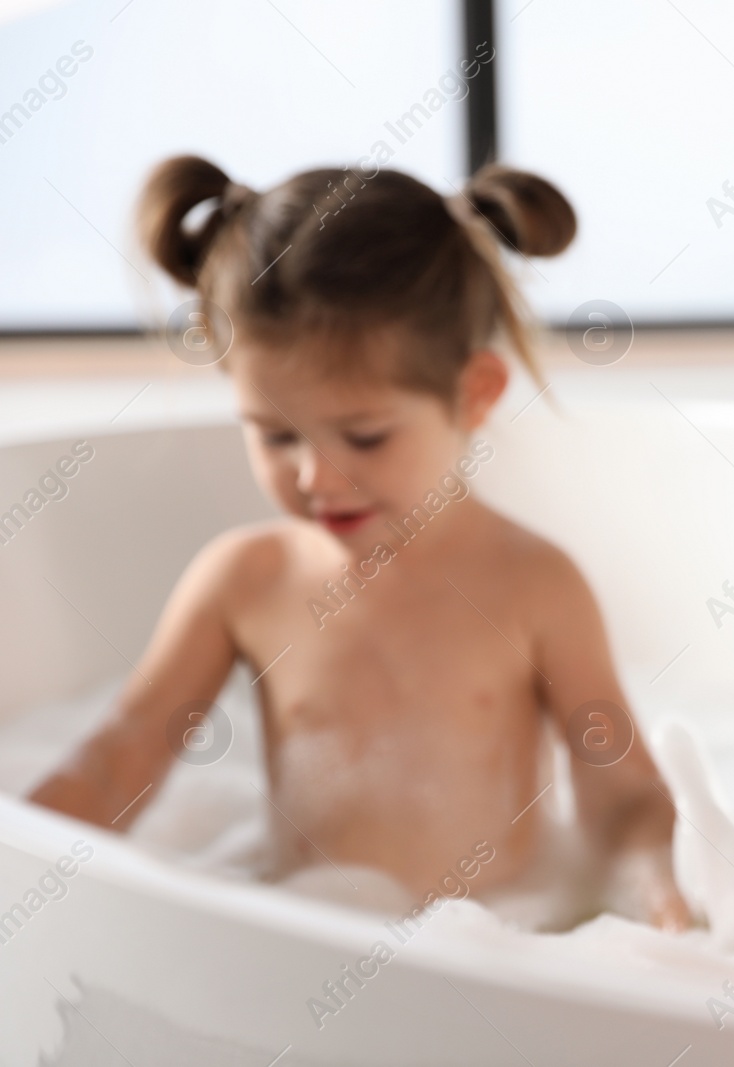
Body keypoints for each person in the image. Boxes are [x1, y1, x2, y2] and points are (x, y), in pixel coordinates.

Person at [30, 155, 690, 930]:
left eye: (365, 436)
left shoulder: (533, 585)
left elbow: (623, 795)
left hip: (501, 947)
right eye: (275, 434)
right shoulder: (244, 581)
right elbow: (116, 764)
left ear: (475, 394)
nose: (316, 474)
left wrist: (655, 894)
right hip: (304, 942)